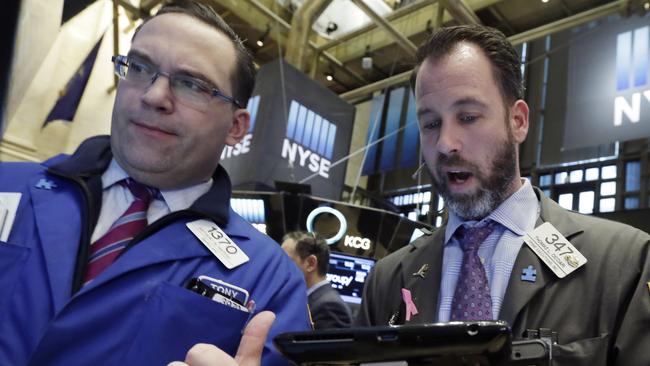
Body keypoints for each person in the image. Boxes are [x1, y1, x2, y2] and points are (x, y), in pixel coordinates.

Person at [0, 1, 309, 365]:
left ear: (236, 127)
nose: (154, 96)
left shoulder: (270, 279)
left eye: (192, 85)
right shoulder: (9, 187)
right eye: (140, 67)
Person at [356, 25, 650, 365]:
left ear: (518, 121)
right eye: (431, 124)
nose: (446, 143)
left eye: (467, 117)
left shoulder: (623, 263)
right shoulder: (387, 280)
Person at [281, 231, 352, 329]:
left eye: (285, 260)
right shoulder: (305, 299)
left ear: (311, 263)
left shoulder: (330, 307)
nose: (279, 267)